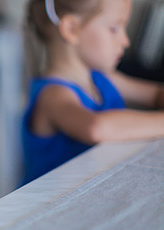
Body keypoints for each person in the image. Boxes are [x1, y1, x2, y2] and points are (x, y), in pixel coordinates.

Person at [21, 0, 164, 184]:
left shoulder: (102, 78)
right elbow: (96, 128)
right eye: (114, 28)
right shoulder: (53, 94)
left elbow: (155, 94)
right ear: (72, 29)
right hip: (51, 207)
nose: (125, 41)